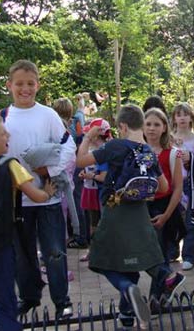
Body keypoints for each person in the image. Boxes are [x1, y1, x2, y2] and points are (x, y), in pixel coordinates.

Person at [76, 104, 185, 329]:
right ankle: (154, 289)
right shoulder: (148, 151)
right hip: (140, 213)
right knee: (134, 260)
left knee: (100, 260)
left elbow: (80, 162)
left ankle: (126, 288)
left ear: (123, 126)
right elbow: (163, 186)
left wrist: (87, 137)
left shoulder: (115, 146)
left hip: (115, 212)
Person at [0, 115, 57, 331]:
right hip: (2, 235)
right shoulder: (10, 165)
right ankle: (7, 324)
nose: (8, 135)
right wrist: (47, 192)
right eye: (3, 133)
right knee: (4, 283)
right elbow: (35, 196)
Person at [1, 60, 75, 319]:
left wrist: (51, 172)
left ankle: (61, 300)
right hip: (17, 200)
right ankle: (29, 297)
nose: (25, 89)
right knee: (23, 254)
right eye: (19, 84)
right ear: (9, 85)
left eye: (30, 84)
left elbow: (68, 146)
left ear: (38, 85)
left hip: (48, 198)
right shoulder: (1, 118)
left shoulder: (48, 115)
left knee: (55, 251)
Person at [144, 108, 184, 264]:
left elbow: (178, 187)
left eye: (156, 124)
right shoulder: (135, 152)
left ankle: (162, 286)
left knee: (161, 255)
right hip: (141, 208)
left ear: (164, 127)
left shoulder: (173, 154)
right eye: (148, 124)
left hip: (163, 208)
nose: (152, 128)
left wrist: (166, 215)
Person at [171, 103, 194, 270]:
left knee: (192, 220)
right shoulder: (169, 138)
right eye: (178, 114)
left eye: (185, 114)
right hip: (173, 184)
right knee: (173, 219)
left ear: (191, 117)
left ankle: (189, 256)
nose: (182, 118)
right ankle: (172, 251)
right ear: (174, 118)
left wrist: (191, 159)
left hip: (192, 184)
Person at [52, 98, 84, 248]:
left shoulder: (56, 131)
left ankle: (60, 250)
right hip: (67, 180)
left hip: (59, 182)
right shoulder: (72, 126)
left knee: (59, 219)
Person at [78, 119, 111, 262]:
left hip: (103, 193)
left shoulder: (104, 151)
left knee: (101, 223)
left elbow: (104, 177)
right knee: (94, 222)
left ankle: (102, 253)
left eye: (90, 134)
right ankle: (95, 251)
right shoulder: (98, 151)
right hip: (94, 190)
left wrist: (90, 175)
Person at [68, 93, 88, 248]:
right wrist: (81, 100)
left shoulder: (68, 125)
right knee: (79, 200)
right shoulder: (78, 119)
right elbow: (81, 109)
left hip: (73, 166)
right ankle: (82, 234)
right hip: (80, 164)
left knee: (76, 200)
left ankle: (80, 236)